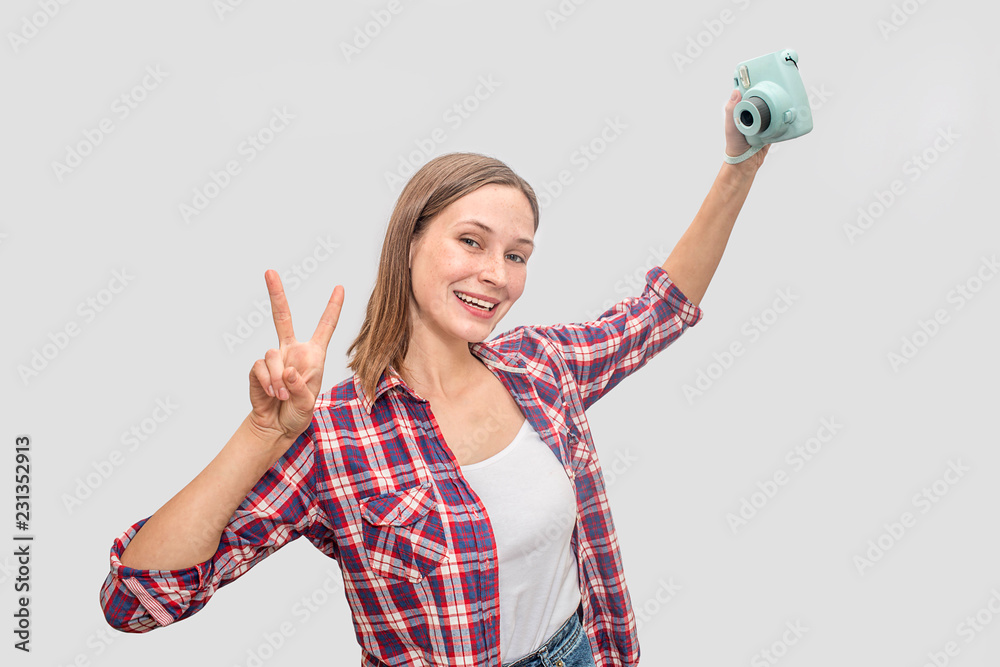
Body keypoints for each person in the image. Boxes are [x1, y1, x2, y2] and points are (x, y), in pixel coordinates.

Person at [100, 90, 769, 667]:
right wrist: (262, 430)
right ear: (411, 241)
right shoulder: (333, 436)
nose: (496, 274)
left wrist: (742, 165)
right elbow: (136, 600)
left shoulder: (541, 366)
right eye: (471, 241)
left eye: (517, 255)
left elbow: (661, 309)